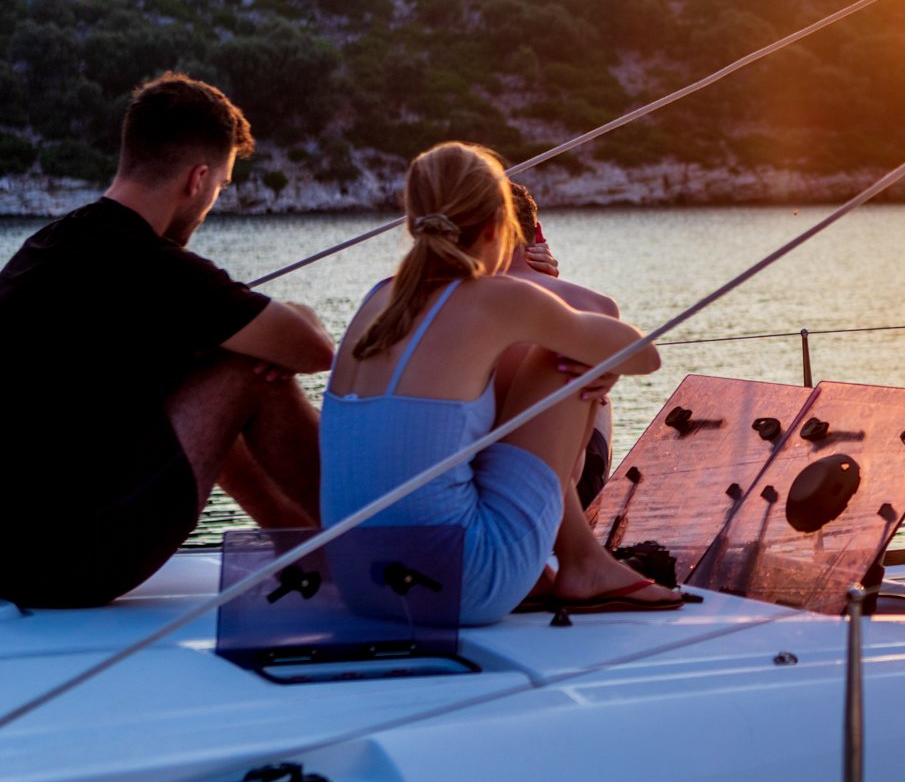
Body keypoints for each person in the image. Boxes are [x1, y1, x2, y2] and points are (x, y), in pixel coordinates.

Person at [0, 73, 334, 608]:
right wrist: (292, 314)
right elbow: (314, 351)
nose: (211, 203)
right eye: (222, 186)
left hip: (15, 554)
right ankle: (372, 542)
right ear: (197, 179)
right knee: (247, 370)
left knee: (199, 361)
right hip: (72, 562)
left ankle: (302, 544)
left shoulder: (50, 246)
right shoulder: (156, 268)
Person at [321, 142, 680, 622]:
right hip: (463, 585)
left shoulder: (377, 300)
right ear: (498, 227)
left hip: (360, 582)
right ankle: (583, 566)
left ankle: (562, 566)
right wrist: (602, 359)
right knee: (568, 350)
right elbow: (645, 355)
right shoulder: (498, 299)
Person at [503, 182, 617, 509]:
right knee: (597, 394)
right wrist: (549, 288)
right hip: (554, 495)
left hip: (458, 484)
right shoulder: (597, 306)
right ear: (536, 235)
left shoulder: (441, 297)